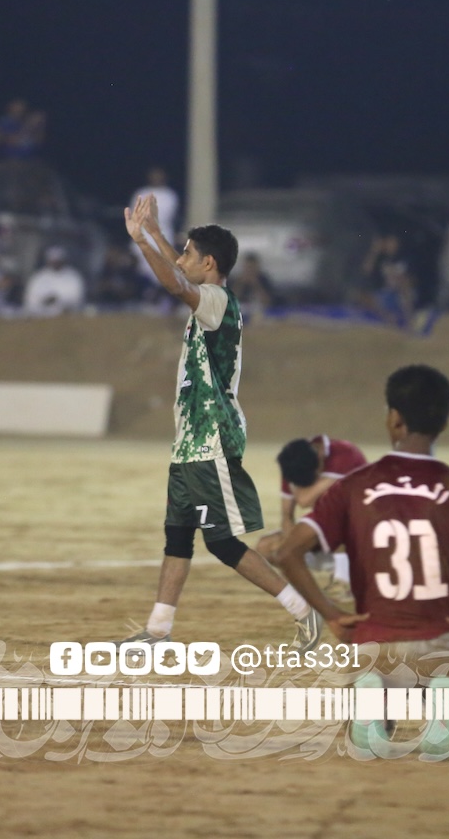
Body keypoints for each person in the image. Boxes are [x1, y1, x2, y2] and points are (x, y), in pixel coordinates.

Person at [276, 365, 449, 756]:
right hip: (443, 640)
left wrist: (332, 614)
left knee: (363, 706)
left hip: (374, 643)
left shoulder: (352, 487)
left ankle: (374, 705)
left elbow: (288, 552)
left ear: (394, 419)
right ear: (443, 423)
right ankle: (447, 704)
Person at [117, 192, 321, 648]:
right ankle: (158, 630)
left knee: (223, 543)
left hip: (212, 438)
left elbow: (175, 284)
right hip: (190, 441)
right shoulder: (208, 296)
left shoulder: (216, 301)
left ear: (208, 263)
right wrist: (154, 234)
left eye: (188, 252)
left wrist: (143, 243)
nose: (180, 258)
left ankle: (304, 610)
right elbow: (178, 273)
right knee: (177, 537)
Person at [257, 435, 368, 597]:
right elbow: (287, 516)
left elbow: (304, 500)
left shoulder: (344, 454)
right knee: (266, 547)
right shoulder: (293, 464)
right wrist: (292, 549)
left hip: (361, 538)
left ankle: (344, 581)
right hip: (327, 538)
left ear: (320, 456)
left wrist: (293, 484)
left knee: (338, 516)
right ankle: (309, 581)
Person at [128, 167, 180, 273]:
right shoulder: (141, 193)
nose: (156, 178)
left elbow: (165, 216)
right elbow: (133, 214)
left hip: (163, 236)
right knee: (141, 270)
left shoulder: (169, 195)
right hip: (142, 235)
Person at [22, 246, 85, 316]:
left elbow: (77, 299)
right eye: (53, 261)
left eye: (58, 261)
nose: (56, 263)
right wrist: (46, 301)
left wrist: (59, 301)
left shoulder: (73, 277)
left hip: (66, 316)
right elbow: (30, 302)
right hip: (42, 316)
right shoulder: (38, 277)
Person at [232, 253, 275, 322]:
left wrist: (256, 285)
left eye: (252, 267)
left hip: (260, 311)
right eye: (248, 267)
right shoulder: (237, 280)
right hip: (242, 312)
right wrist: (240, 284)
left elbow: (268, 302)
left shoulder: (263, 279)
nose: (250, 270)